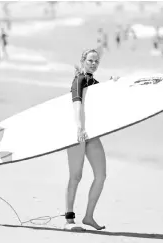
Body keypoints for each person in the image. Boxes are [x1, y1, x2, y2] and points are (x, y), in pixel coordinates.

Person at [65, 49, 119, 231]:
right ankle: (69, 220)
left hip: (92, 134)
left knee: (101, 175)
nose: (94, 63)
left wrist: (113, 84)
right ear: (83, 61)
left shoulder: (94, 82)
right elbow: (77, 104)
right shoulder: (79, 80)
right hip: (77, 133)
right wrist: (79, 128)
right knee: (76, 176)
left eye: (96, 61)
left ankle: (88, 216)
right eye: (90, 60)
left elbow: (102, 103)